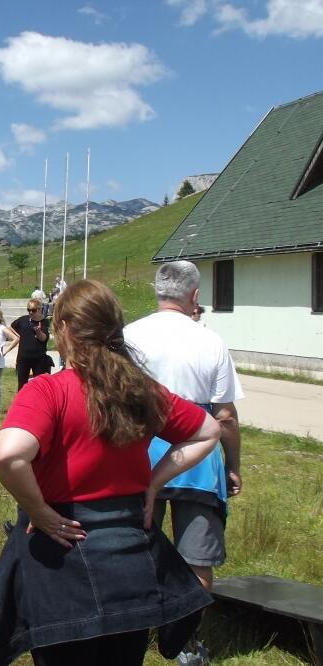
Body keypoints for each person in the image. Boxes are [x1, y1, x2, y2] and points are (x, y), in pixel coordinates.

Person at [0, 279, 221, 666]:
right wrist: (153, 483)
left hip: (61, 559)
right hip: (131, 556)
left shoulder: (48, 391)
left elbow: (8, 454)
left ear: (64, 329)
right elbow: (208, 430)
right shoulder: (140, 389)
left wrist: (37, 510)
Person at [124, 261, 244, 666]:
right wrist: (232, 464)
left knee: (136, 548)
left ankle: (132, 635)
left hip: (138, 455)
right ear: (194, 296)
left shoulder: (128, 336)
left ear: (156, 291)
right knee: (198, 556)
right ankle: (186, 643)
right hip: (198, 458)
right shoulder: (210, 340)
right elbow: (224, 416)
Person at [10, 298, 52, 391]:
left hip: (39, 358)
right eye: (28, 310)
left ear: (39, 309)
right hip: (23, 358)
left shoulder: (44, 322)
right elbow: (12, 326)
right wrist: (18, 336)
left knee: (39, 384)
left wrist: (38, 331)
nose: (31, 312)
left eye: (33, 310)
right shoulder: (23, 320)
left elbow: (44, 338)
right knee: (22, 385)